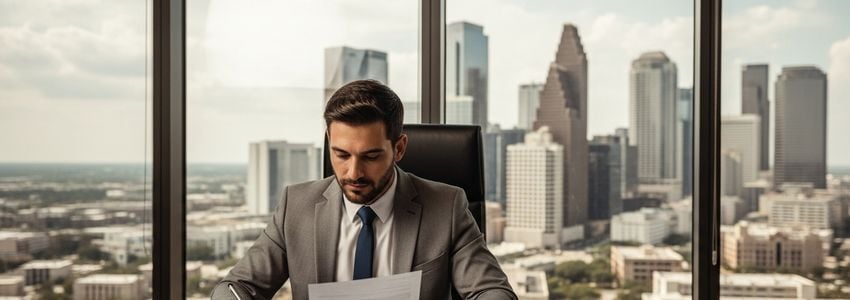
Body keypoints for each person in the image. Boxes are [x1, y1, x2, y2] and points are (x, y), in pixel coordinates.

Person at [211, 80, 516, 300]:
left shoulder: (446, 206)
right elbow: (235, 287)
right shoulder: (296, 206)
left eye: (370, 156)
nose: (353, 173)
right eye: (341, 155)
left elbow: (492, 291)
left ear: (398, 148)